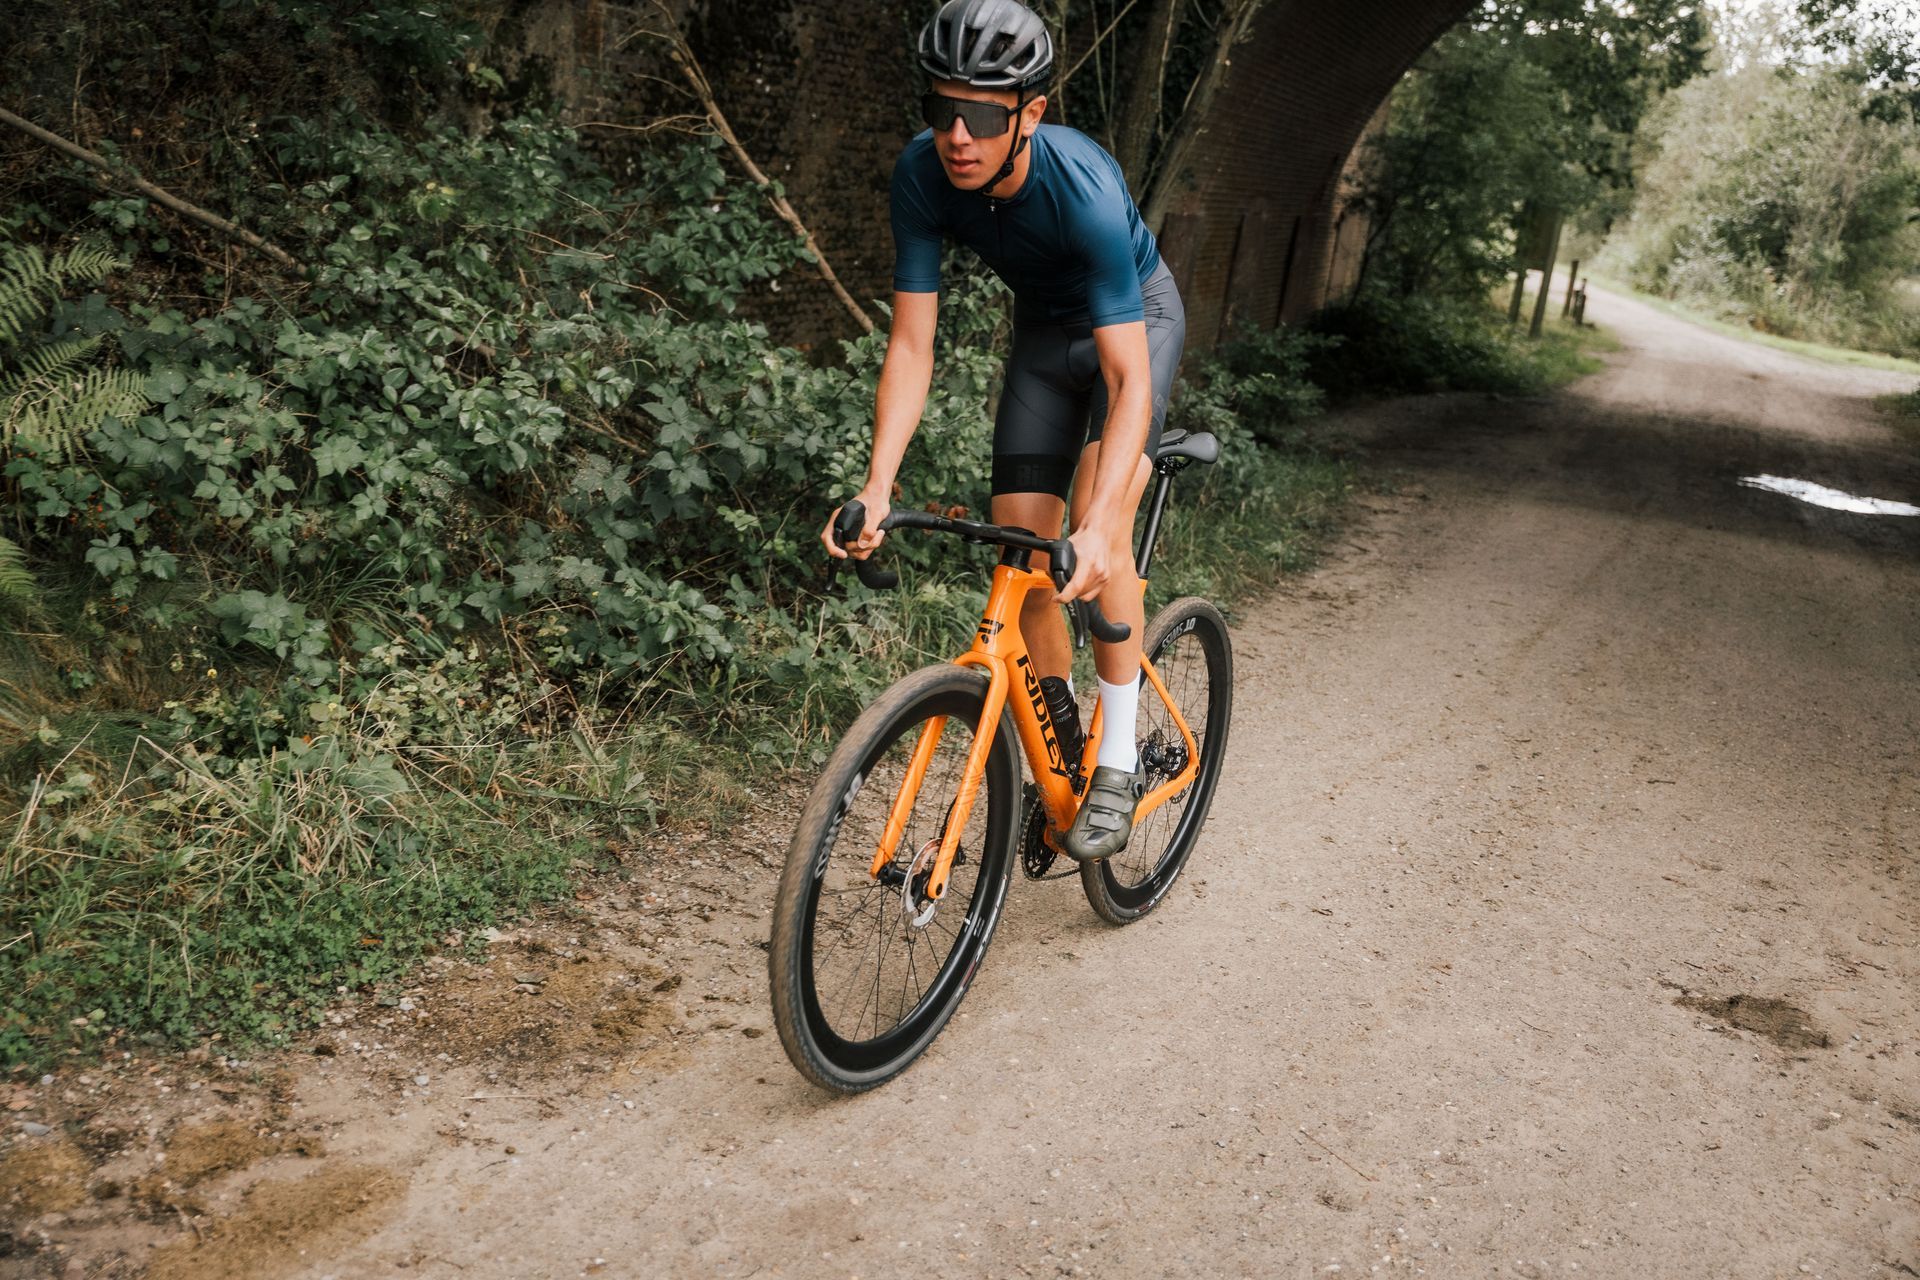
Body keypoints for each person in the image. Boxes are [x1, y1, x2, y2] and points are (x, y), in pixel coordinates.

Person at [820, 0, 1187, 863]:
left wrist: (1096, 525)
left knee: (1101, 537)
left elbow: (1129, 376)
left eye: (982, 115)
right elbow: (912, 345)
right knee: (1025, 550)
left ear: (1030, 114)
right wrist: (879, 485)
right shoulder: (921, 175)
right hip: (1041, 343)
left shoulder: (1083, 191)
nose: (957, 135)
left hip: (1132, 329)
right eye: (939, 108)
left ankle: (1121, 757)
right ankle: (1059, 737)